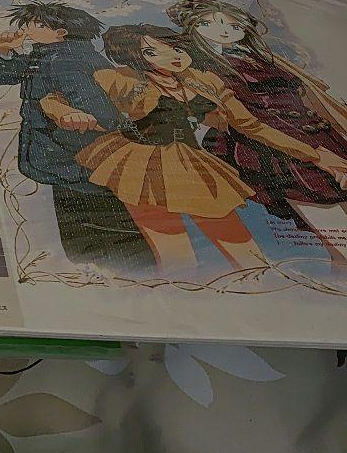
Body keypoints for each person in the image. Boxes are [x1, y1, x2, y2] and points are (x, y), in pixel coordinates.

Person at [75, 25, 340, 273]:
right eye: (152, 52)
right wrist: (67, 113)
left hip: (192, 162)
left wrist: (314, 155)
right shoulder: (120, 78)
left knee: (247, 255)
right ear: (136, 58)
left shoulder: (205, 80)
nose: (172, 56)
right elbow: (67, 94)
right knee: (176, 257)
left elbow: (252, 126)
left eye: (175, 47)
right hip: (140, 163)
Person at [0, 1, 154, 272]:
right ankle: (111, 268)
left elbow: (98, 111)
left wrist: (70, 116)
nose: (26, 29)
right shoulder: (47, 56)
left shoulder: (67, 61)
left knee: (96, 220)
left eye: (36, 24)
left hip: (76, 156)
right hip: (63, 156)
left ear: (60, 32)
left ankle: (125, 271)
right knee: (86, 219)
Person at [167, 0, 347, 265]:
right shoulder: (201, 67)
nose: (223, 31)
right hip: (274, 146)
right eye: (209, 24)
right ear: (193, 29)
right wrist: (317, 155)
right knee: (335, 235)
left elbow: (310, 95)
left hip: (317, 134)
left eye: (233, 26)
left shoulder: (262, 57)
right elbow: (248, 123)